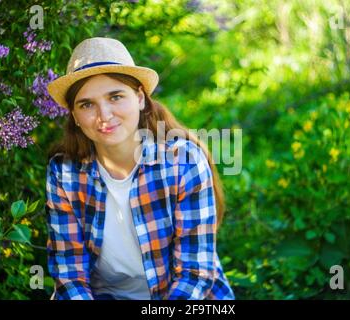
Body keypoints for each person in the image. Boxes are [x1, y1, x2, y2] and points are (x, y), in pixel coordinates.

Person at [45, 37, 235, 300]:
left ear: (140, 98)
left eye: (115, 96)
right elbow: (70, 276)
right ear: (75, 117)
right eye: (87, 104)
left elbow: (195, 275)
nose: (104, 115)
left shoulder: (183, 162)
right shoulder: (64, 174)